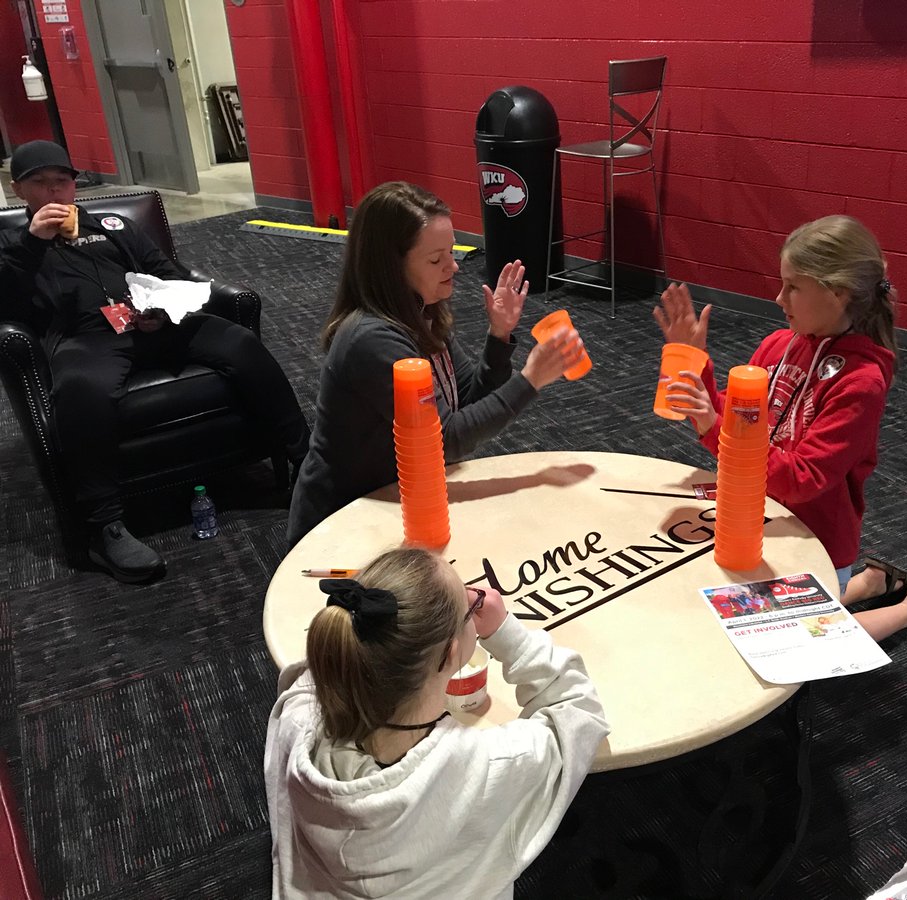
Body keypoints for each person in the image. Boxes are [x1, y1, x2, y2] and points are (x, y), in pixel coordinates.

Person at [0, 141, 310, 583]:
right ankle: (104, 526)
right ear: (18, 190)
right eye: (40, 183)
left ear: (74, 185)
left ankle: (306, 461)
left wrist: (164, 308)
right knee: (81, 391)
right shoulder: (14, 244)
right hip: (86, 336)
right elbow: (7, 302)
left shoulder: (112, 225)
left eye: (62, 181)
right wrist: (32, 245)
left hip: (152, 324)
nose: (54, 192)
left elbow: (169, 271)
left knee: (240, 344)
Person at [656, 215, 907, 642]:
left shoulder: (861, 382)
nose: (778, 297)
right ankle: (867, 583)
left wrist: (715, 426)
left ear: (838, 293)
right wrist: (697, 366)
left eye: (792, 286)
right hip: (758, 517)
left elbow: (802, 479)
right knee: (723, 612)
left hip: (813, 540)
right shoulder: (778, 344)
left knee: (787, 640)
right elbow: (735, 424)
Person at [264, 546, 609, 899]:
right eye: (471, 606)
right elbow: (578, 711)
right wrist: (507, 634)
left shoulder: (297, 717)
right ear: (451, 652)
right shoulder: (488, 767)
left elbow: (321, 669)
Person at [287, 181, 582, 547]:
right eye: (435, 259)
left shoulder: (423, 313)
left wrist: (499, 337)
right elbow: (445, 439)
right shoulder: (371, 339)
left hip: (400, 499)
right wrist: (531, 379)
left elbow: (468, 400)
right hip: (345, 520)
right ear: (391, 267)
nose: (454, 266)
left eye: (452, 252)